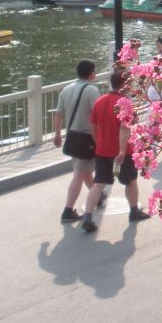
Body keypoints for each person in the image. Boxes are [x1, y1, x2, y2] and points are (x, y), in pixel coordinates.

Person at [81, 70, 151, 232]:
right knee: (131, 181)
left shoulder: (100, 101)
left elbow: (93, 125)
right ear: (125, 85)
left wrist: (98, 142)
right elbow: (124, 128)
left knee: (98, 183)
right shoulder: (125, 103)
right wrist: (121, 150)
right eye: (130, 83)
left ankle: (88, 217)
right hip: (123, 151)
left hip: (102, 150)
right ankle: (134, 211)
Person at [53, 60, 103, 223]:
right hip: (87, 138)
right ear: (91, 73)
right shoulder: (91, 90)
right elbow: (97, 116)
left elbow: (59, 114)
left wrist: (57, 135)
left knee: (85, 171)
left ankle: (98, 196)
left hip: (72, 137)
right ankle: (68, 210)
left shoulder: (66, 89)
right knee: (79, 174)